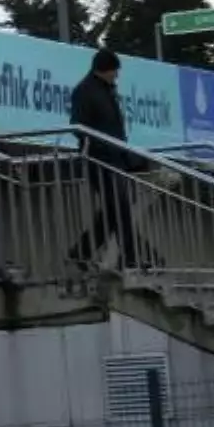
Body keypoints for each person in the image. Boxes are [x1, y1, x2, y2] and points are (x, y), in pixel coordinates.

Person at [67, 48, 156, 270]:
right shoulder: (84, 91)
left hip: (116, 158)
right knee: (120, 206)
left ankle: (81, 251)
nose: (117, 75)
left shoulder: (107, 90)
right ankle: (130, 258)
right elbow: (78, 125)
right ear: (103, 69)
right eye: (114, 71)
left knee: (112, 210)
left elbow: (115, 126)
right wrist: (99, 145)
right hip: (99, 159)